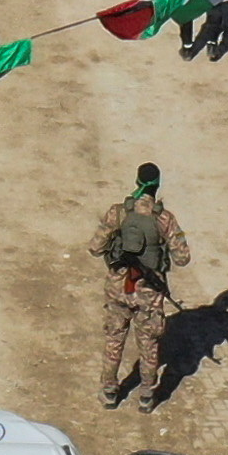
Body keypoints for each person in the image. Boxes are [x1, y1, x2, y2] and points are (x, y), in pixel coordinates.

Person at [94, 165, 190, 411]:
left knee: (114, 339)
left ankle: (109, 392)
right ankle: (147, 396)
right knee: (149, 344)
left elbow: (95, 247)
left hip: (118, 288)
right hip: (148, 292)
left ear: (136, 181)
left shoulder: (119, 213)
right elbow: (182, 258)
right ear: (157, 185)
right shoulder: (163, 219)